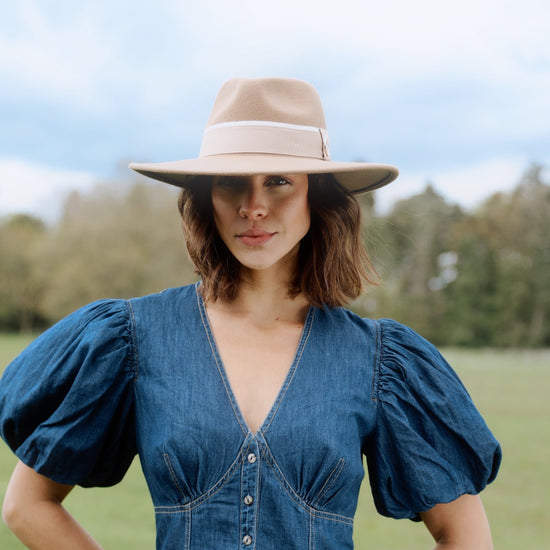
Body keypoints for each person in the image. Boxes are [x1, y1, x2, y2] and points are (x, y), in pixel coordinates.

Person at [0, 77, 501, 549]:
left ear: (316, 196)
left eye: (279, 180)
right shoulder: (130, 338)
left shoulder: (379, 360)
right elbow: (27, 506)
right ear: (206, 198)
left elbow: (465, 534)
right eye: (231, 181)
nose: (254, 205)